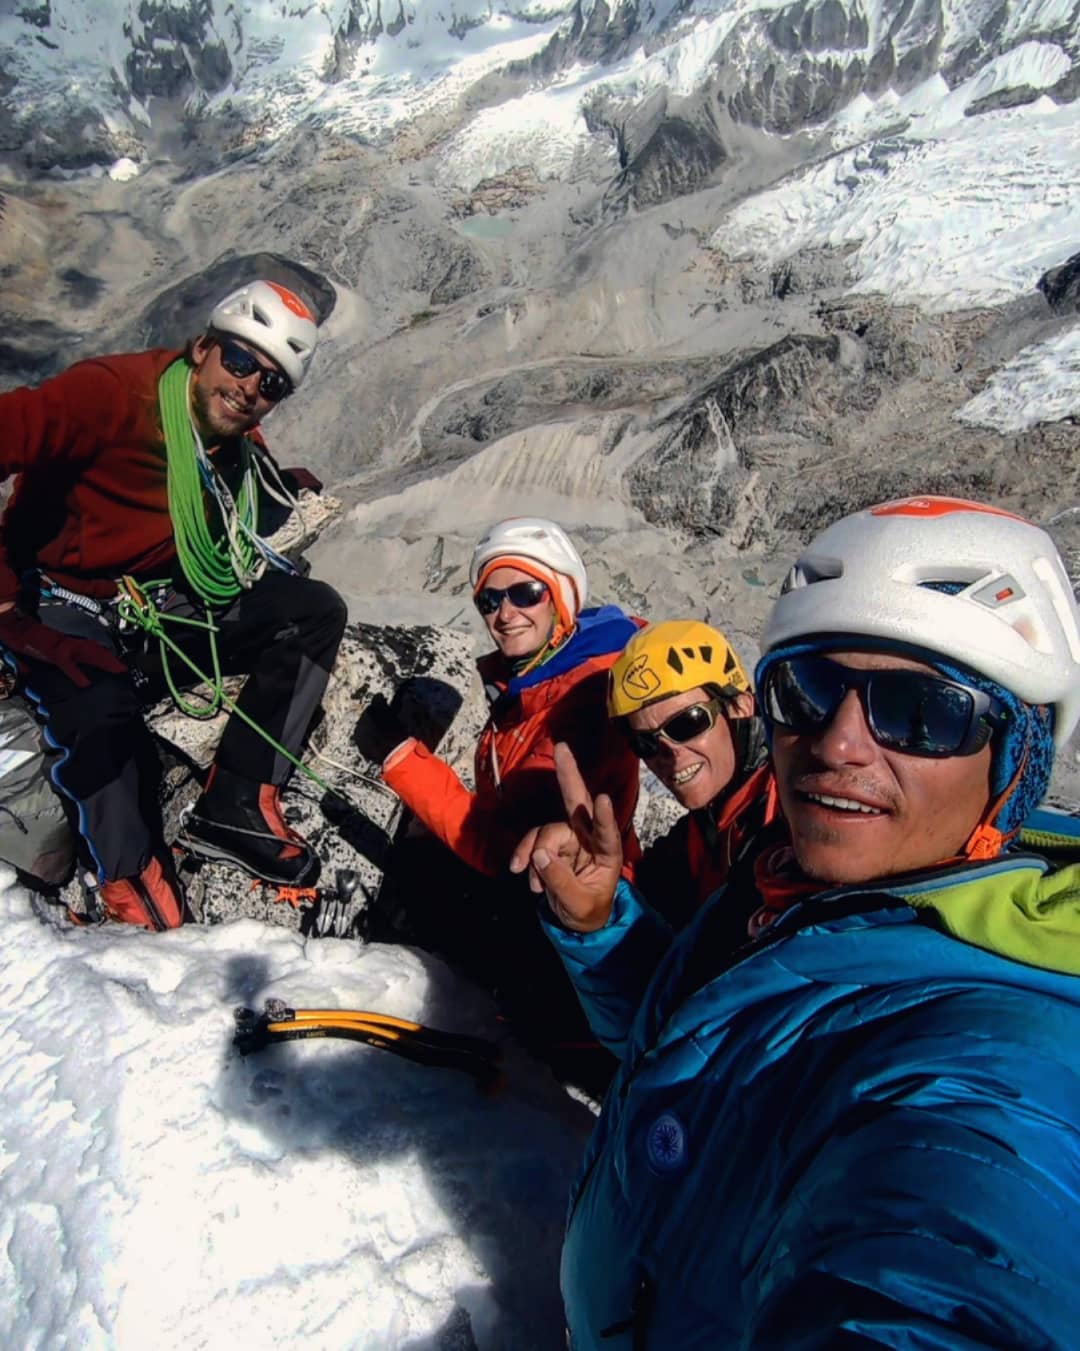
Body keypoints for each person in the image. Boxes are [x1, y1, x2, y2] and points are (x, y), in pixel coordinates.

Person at [513, 496, 1080, 1348]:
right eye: (811, 690)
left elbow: (963, 1240)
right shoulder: (784, 877)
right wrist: (601, 928)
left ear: (1015, 756)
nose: (839, 742)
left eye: (921, 711)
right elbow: (708, 1051)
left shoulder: (997, 1045)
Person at [0, 279, 348, 928]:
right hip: (61, 602)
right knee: (100, 710)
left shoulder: (229, 438)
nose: (249, 387)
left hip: (155, 607)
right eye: (240, 361)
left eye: (271, 383)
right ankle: (127, 876)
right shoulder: (110, 395)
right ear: (203, 347)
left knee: (314, 610)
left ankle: (238, 800)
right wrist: (6, 609)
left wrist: (285, 490)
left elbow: (234, 472)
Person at [360, 516, 641, 1082]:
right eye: (490, 599)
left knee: (420, 865)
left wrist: (399, 758)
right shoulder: (538, 681)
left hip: (564, 918)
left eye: (525, 593)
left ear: (560, 598)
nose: (505, 614)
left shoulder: (579, 700)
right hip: (552, 908)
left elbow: (504, 847)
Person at [609, 619, 774, 927]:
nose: (670, 753)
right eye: (645, 742)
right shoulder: (699, 833)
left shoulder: (790, 818)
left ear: (740, 707)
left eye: (688, 723)